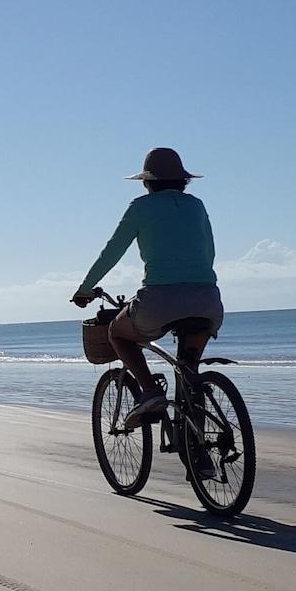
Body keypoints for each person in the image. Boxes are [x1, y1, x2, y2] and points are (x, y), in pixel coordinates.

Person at [71, 147, 224, 430]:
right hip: (207, 300)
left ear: (147, 182)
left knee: (117, 332)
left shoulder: (140, 207)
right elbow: (209, 252)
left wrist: (84, 289)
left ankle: (150, 391)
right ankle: (200, 455)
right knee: (189, 373)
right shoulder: (197, 205)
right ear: (183, 181)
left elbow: (111, 252)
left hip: (159, 302)